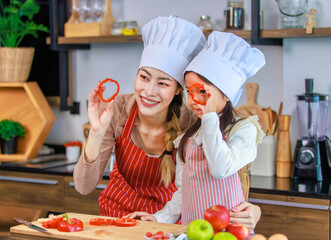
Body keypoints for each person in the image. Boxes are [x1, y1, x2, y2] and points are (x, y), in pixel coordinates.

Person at [73, 16, 261, 229]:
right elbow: (82, 186)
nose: (149, 91)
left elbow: (230, 175)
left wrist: (254, 210)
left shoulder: (194, 122)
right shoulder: (118, 110)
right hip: (117, 218)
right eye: (144, 77)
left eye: (163, 83)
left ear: (178, 89)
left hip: (170, 226)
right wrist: (97, 132)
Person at [126, 31, 266, 232]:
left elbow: (220, 169)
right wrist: (158, 218)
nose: (194, 100)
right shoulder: (189, 137)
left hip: (229, 234)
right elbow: (183, 192)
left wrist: (209, 118)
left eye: (203, 92)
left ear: (226, 94)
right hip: (191, 233)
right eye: (190, 91)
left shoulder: (243, 130)